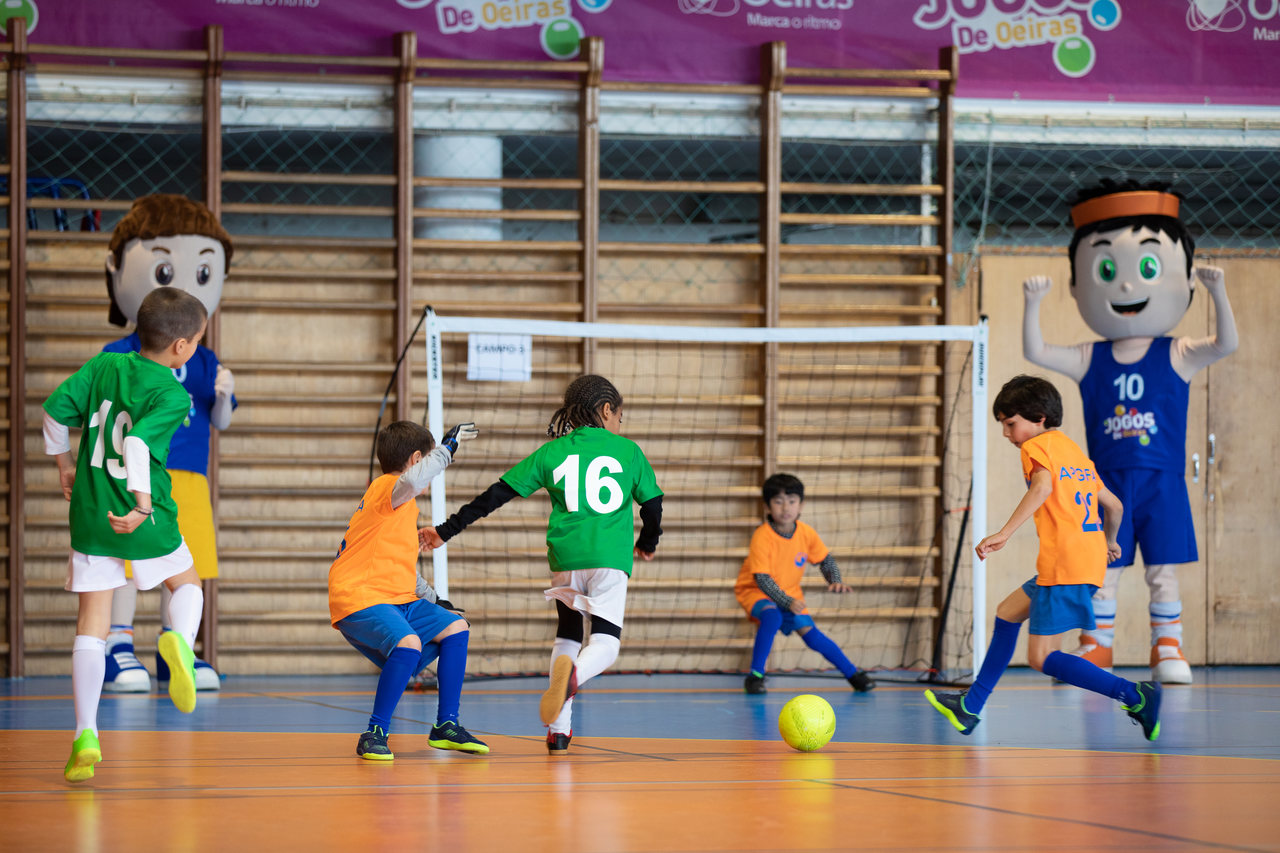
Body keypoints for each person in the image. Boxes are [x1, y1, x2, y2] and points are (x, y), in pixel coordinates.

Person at [1023, 180, 1238, 683]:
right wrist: (1033, 303)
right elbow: (1037, 352)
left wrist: (1218, 291)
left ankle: (1168, 647)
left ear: (1181, 278)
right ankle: (1096, 646)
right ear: (1080, 283)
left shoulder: (1177, 353)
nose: (1124, 286)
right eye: (1105, 270)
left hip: (1161, 481)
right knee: (1104, 570)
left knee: (1162, 570)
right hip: (1104, 482)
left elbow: (1226, 343)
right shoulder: (1088, 357)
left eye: (1146, 268)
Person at [422, 375, 663, 753]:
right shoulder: (628, 451)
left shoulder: (552, 452)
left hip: (565, 558)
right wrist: (647, 541)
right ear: (606, 411)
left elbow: (495, 495)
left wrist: (445, 531)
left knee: (568, 634)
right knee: (605, 642)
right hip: (609, 559)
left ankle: (559, 731)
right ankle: (573, 679)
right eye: (620, 415)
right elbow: (652, 505)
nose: (620, 424)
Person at [924, 375, 1162, 742]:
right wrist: (1109, 542)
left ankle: (1135, 695)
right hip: (1084, 560)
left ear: (1038, 418)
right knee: (1006, 613)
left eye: (1010, 423)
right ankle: (970, 707)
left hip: (1063, 563)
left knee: (1040, 658)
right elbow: (1114, 505)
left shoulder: (1035, 448)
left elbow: (1043, 486)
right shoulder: (1073, 452)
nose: (1006, 433)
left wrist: (1003, 533)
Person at [43, 287, 211, 782]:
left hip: (91, 513)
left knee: (91, 624)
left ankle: (85, 734)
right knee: (187, 584)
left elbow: (53, 412)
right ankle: (179, 639)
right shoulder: (172, 392)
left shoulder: (103, 367)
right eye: (198, 340)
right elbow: (137, 443)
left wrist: (64, 464)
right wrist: (140, 505)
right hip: (145, 514)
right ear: (180, 346)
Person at [100, 194, 237, 694]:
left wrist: (222, 394)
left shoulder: (203, 359)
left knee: (186, 561)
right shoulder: (119, 354)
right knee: (127, 561)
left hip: (188, 476)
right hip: (131, 474)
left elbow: (221, 419)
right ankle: (118, 645)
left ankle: (173, 645)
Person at [328, 420, 488, 760]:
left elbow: (403, 568)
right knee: (409, 643)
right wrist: (449, 447)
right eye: (430, 460)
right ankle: (375, 732)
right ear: (417, 459)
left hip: (396, 596)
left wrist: (435, 600)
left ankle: (446, 725)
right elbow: (414, 478)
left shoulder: (401, 507)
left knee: (456, 627)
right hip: (361, 594)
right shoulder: (388, 488)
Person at [734, 473, 875, 695]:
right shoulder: (762, 536)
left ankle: (853, 675)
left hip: (790, 595)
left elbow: (825, 560)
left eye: (792, 501)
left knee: (813, 637)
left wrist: (835, 580)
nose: (785, 508)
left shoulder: (806, 533)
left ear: (801, 505)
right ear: (768, 507)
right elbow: (762, 580)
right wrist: (786, 601)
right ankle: (756, 676)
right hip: (755, 591)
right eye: (778, 502)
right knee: (772, 616)